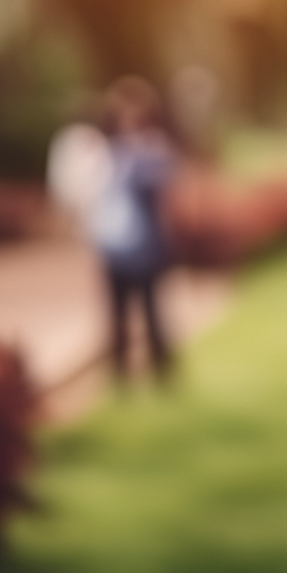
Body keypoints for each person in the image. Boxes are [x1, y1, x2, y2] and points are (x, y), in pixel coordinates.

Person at [84, 78, 179, 384]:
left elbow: (161, 194)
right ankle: (119, 375)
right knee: (117, 315)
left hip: (146, 245)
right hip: (112, 245)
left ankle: (162, 373)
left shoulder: (153, 148)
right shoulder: (104, 150)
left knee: (153, 313)